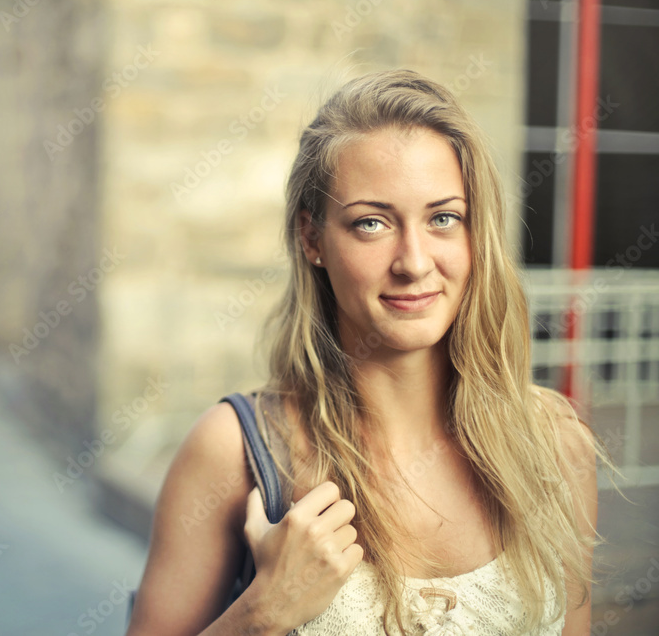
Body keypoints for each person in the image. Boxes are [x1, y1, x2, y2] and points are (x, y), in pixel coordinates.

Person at [126, 70, 612, 635]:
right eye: (371, 223)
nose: (413, 262)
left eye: (443, 219)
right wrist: (264, 612)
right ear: (312, 239)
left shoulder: (554, 446)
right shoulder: (231, 452)